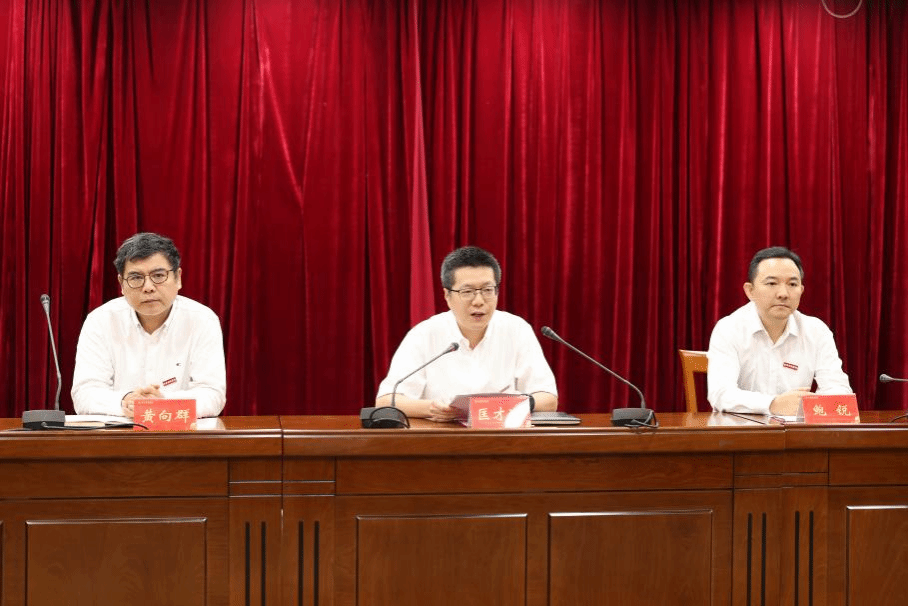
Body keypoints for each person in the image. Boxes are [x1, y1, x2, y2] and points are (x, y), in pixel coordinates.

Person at [376, 246, 558, 422]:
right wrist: (433, 408)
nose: (478, 301)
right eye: (467, 292)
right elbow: (385, 401)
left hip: (503, 436)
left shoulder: (517, 330)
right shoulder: (424, 334)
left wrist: (507, 404)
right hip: (442, 436)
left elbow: (548, 399)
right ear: (447, 295)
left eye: (487, 290)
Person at [71, 232, 227, 418]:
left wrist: (163, 403)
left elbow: (212, 395)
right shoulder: (100, 321)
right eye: (136, 278)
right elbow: (84, 393)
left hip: (181, 432)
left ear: (178, 278)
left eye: (158, 275)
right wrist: (125, 401)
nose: (148, 287)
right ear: (121, 284)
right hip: (119, 432)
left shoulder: (203, 320)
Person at [707, 246, 852, 415]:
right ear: (750, 291)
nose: (783, 293)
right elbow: (721, 394)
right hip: (741, 428)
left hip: (798, 429)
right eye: (772, 283)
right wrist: (773, 404)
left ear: (801, 291)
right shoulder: (729, 329)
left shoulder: (816, 331)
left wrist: (816, 404)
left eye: (792, 284)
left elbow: (839, 389)